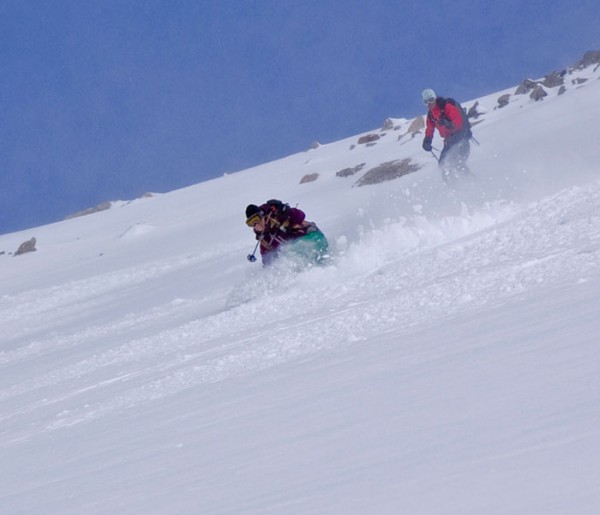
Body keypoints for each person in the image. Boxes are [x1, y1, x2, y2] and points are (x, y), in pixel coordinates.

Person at [245, 199, 329, 266]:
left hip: (312, 237)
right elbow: (267, 262)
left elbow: (301, 216)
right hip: (300, 254)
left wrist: (287, 211)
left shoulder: (278, 216)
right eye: (251, 223)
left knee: (293, 250)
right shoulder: (264, 240)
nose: (257, 224)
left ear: (262, 215)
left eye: (257, 219)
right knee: (286, 256)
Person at [421, 88, 472, 183]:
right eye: (426, 101)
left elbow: (458, 123)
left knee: (458, 163)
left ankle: (472, 183)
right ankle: (455, 188)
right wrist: (427, 141)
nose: (429, 103)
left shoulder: (447, 107)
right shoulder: (431, 115)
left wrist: (447, 123)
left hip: (461, 139)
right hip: (449, 142)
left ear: (435, 98)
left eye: (431, 100)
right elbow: (429, 129)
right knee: (443, 165)